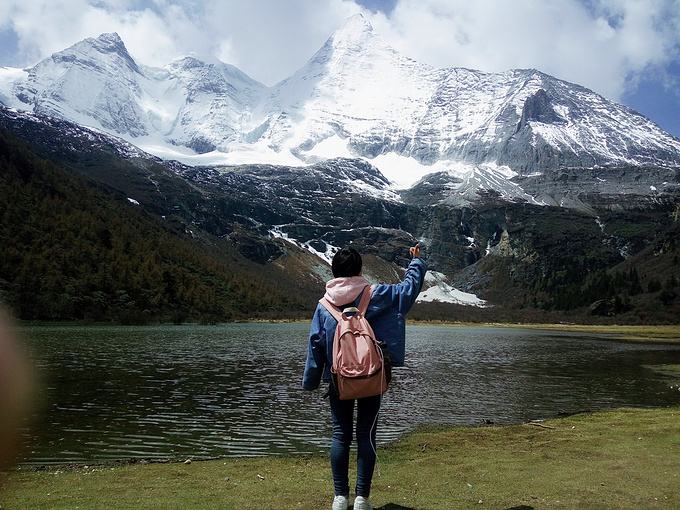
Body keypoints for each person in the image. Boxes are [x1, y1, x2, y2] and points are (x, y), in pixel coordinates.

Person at [303, 244, 427, 510]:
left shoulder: (324, 305)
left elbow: (315, 344)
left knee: (340, 435)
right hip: (372, 375)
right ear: (360, 269)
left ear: (333, 270)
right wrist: (415, 262)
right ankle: (362, 499)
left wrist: (311, 381)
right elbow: (408, 290)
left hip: (339, 379)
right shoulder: (378, 294)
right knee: (366, 435)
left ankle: (339, 498)